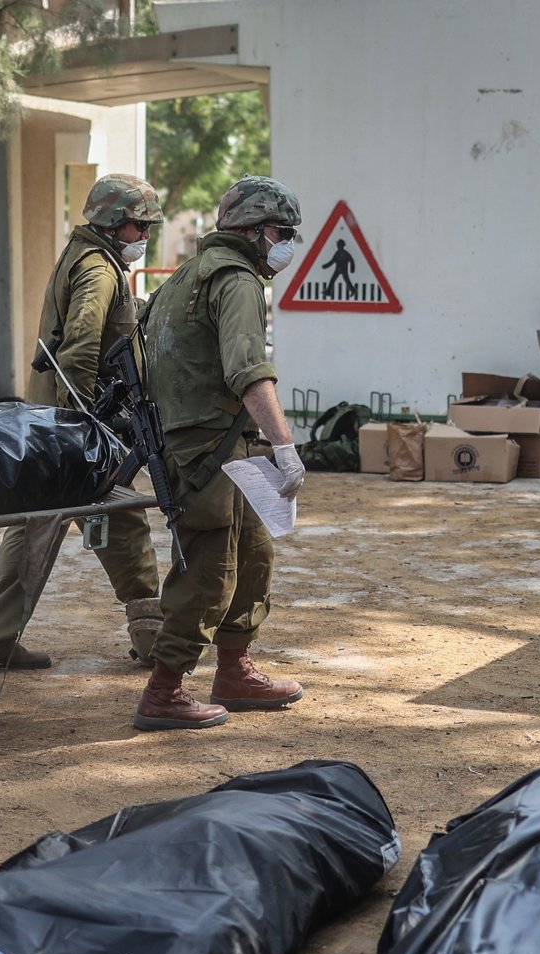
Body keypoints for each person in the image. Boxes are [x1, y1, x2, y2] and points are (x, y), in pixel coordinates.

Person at [0, 173, 165, 670]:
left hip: (51, 423)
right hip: (74, 428)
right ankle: (152, 638)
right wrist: (87, 432)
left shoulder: (83, 256)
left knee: (34, 526)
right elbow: (80, 348)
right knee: (124, 519)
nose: (145, 237)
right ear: (117, 223)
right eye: (140, 227)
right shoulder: (99, 268)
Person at [132, 175, 309, 731]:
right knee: (210, 569)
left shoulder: (184, 276)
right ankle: (164, 691)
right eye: (282, 233)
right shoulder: (234, 280)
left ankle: (234, 670)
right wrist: (285, 446)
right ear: (256, 231)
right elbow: (248, 370)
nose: (285, 245)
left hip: (215, 443)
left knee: (254, 557)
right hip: (206, 449)